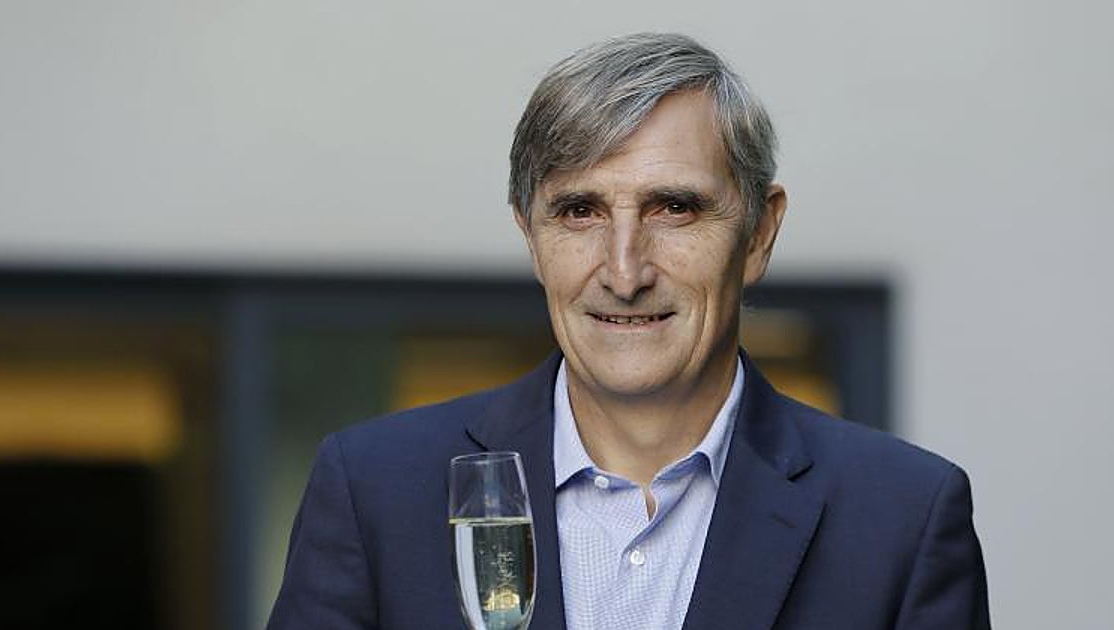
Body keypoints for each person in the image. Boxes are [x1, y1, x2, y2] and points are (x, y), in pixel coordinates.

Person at [267, 32, 990, 630]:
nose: (624, 270)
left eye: (674, 208)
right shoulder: (376, 491)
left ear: (759, 234)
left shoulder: (903, 518)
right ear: (531, 237)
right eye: (578, 212)